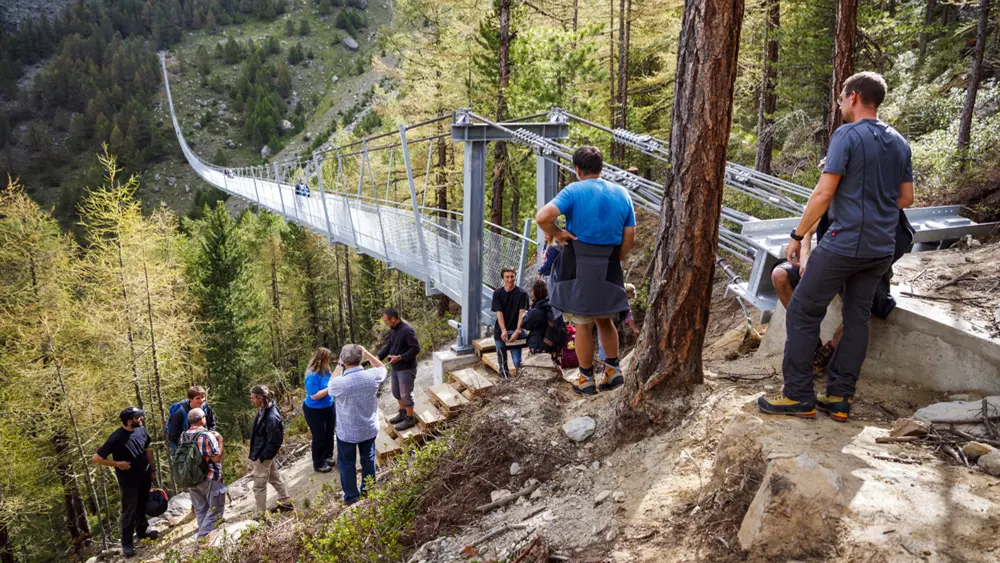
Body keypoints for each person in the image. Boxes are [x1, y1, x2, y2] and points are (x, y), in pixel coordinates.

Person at [758, 71, 915, 422]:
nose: (839, 103)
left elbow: (824, 192)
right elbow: (906, 198)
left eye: (841, 97)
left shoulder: (847, 135)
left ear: (854, 97)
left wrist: (798, 236)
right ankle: (839, 397)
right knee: (857, 318)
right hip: (881, 246)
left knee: (802, 311)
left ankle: (798, 396)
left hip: (845, 242)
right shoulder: (900, 142)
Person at [535, 146, 636, 395]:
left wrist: (559, 233)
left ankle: (586, 378)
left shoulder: (573, 190)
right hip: (609, 265)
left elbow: (542, 217)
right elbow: (630, 235)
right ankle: (613, 372)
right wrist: (616, 258)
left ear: (577, 169)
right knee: (604, 319)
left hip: (579, 265)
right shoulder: (622, 193)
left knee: (582, 323)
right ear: (600, 168)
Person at [91, 407, 158, 557]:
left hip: (145, 475)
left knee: (141, 503)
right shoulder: (116, 438)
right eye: (138, 417)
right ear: (129, 421)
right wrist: (118, 464)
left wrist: (153, 470)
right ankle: (127, 543)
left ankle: (143, 531)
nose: (141, 418)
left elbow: (147, 450)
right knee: (129, 510)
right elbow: (96, 458)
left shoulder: (141, 430)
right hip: (129, 481)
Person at [327, 344, 387, 505]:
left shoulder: (339, 383)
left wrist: (339, 365)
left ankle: (352, 497)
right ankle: (368, 492)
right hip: (368, 427)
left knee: (347, 464)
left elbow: (330, 385)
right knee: (368, 459)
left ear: (343, 361)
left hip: (347, 431)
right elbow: (382, 367)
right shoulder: (373, 375)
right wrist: (367, 353)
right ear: (360, 358)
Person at [182, 408, 226, 544]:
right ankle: (201, 541)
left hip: (192, 480)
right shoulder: (207, 435)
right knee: (216, 512)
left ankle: (207, 545)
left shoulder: (184, 435)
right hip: (210, 478)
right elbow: (216, 458)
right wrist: (220, 440)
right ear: (202, 419)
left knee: (202, 512)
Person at [249, 384, 294, 515]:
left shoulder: (271, 417)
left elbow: (275, 441)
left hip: (263, 456)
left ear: (260, 398)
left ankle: (260, 515)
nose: (251, 400)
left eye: (253, 398)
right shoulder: (264, 409)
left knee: (258, 486)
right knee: (274, 477)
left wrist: (263, 456)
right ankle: (286, 502)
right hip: (262, 453)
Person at [377, 308, 421, 431]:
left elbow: (416, 349)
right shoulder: (393, 330)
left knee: (406, 394)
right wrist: (378, 357)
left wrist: (400, 357)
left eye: (387, 321)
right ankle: (402, 413)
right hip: (396, 368)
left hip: (407, 368)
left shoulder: (407, 331)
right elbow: (389, 346)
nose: (386, 324)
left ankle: (409, 418)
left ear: (393, 319)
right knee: (396, 392)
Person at [491, 267, 529, 379]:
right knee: (502, 359)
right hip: (501, 330)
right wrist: (503, 330)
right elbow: (499, 312)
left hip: (515, 330)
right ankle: (505, 379)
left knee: (517, 361)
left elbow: (522, 313)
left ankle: (519, 380)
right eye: (507, 277)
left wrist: (518, 331)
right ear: (503, 278)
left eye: (512, 276)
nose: (510, 279)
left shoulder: (522, 294)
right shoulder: (497, 293)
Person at [303, 347, 337, 473]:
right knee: (319, 436)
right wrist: (330, 388)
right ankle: (318, 463)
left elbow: (333, 379)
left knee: (329, 433)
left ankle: (328, 456)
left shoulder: (327, 370)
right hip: (314, 410)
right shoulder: (311, 376)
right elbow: (314, 395)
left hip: (329, 406)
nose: (329, 362)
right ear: (323, 360)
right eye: (328, 359)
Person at [597, 283, 640, 368]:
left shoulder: (623, 302)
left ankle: (610, 365)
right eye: (628, 298)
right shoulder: (611, 295)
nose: (627, 301)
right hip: (603, 321)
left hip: (612, 323)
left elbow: (628, 315)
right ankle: (604, 366)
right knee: (602, 342)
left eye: (629, 299)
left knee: (610, 343)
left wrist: (635, 329)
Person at [167, 386, 217, 454]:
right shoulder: (180, 413)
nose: (201, 401)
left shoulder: (206, 408)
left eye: (203, 397)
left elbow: (212, 424)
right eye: (198, 398)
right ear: (190, 399)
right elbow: (172, 436)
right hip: (186, 452)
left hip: (204, 446)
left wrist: (209, 436)